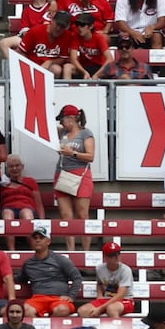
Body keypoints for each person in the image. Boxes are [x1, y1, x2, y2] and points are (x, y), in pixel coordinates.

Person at [53, 104, 96, 252]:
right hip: (62, 173)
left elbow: (90, 156)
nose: (61, 123)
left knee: (82, 215)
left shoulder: (85, 133)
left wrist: (73, 153)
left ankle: (85, 252)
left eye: (62, 119)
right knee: (66, 216)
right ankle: (71, 251)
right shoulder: (62, 133)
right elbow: (45, 127)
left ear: (71, 119)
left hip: (80, 174)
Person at [15, 225, 80, 318]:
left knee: (62, 310)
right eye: (35, 238)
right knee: (25, 310)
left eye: (41, 238)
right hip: (38, 298)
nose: (37, 240)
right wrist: (3, 276)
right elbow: (20, 279)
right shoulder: (28, 263)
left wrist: (71, 296)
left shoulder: (60, 259)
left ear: (48, 241)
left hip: (58, 298)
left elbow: (77, 278)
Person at [0, 154, 46, 250]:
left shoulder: (30, 181)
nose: (14, 168)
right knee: (7, 214)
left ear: (22, 167)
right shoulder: (3, 184)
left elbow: (39, 204)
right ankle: (11, 250)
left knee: (26, 213)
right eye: (11, 166)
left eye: (17, 165)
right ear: (7, 168)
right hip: (8, 208)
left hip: (27, 207)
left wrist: (42, 221)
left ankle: (33, 248)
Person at [79, 241, 134, 319]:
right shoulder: (100, 268)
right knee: (82, 310)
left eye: (117, 253)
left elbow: (120, 295)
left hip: (125, 300)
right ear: (105, 257)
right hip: (106, 299)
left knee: (111, 309)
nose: (116, 257)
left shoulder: (126, 270)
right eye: (111, 255)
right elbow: (100, 283)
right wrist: (99, 295)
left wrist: (101, 308)